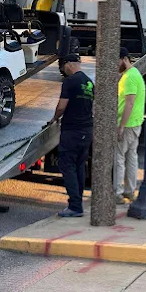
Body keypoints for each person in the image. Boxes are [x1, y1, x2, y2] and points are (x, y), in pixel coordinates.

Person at [49, 54, 94, 217]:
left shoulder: (70, 82)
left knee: (67, 166)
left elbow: (62, 106)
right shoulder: (89, 81)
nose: (63, 72)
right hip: (87, 130)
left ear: (68, 65)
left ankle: (75, 206)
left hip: (72, 130)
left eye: (62, 69)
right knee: (79, 166)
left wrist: (54, 118)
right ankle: (78, 202)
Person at [115, 47, 146, 205]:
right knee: (131, 157)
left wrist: (121, 126)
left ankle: (118, 192)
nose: (116, 65)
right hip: (135, 123)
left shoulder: (129, 78)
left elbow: (129, 102)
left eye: (117, 61)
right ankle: (129, 191)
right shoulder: (135, 75)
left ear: (124, 59)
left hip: (127, 124)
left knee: (119, 157)